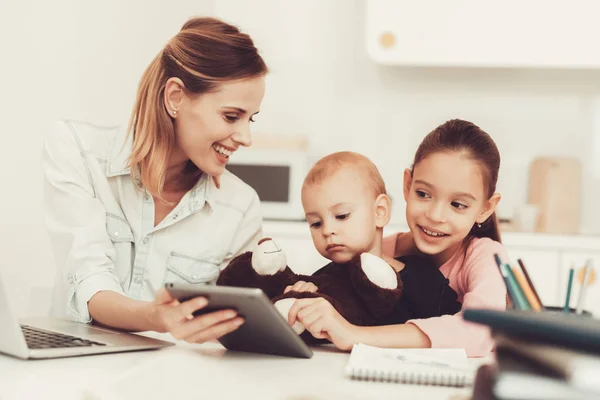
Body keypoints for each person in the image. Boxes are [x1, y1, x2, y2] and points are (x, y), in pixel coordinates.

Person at [43, 17, 268, 343]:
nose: (246, 137)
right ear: (175, 97)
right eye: (231, 116)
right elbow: (88, 280)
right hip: (76, 372)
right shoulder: (78, 151)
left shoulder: (240, 205)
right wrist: (156, 317)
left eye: (251, 119)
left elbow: (237, 330)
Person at [288, 120, 507, 357]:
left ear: (486, 208)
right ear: (407, 185)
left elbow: (480, 331)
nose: (434, 215)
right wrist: (312, 297)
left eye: (458, 205)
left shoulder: (485, 256)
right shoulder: (380, 253)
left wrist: (353, 335)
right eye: (423, 194)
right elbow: (338, 292)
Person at [285, 151, 462, 341]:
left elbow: (458, 333)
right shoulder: (322, 282)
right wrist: (300, 306)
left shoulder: (423, 279)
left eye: (342, 216)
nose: (327, 230)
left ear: (380, 212)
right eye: (316, 223)